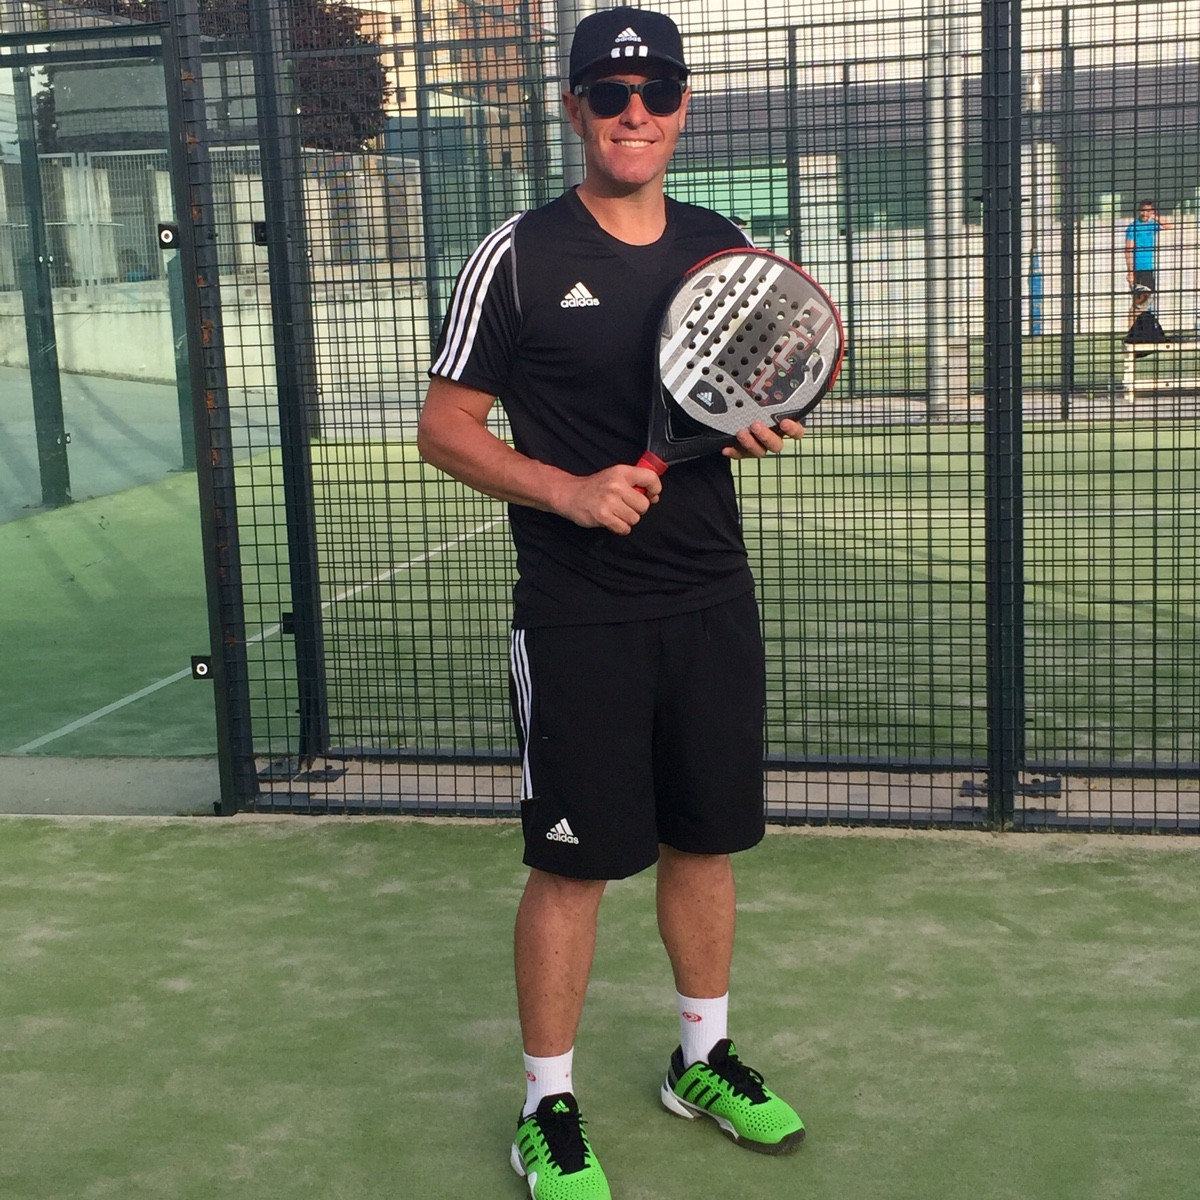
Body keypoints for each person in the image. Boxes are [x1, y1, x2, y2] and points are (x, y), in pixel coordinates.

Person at [417, 8, 806, 1197]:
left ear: (682, 105)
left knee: (706, 842)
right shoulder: (518, 255)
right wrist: (567, 491)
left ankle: (702, 1060)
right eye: (610, 92)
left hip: (709, 597)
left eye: (656, 91)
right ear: (575, 108)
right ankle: (547, 1106)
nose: (635, 113)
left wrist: (750, 426)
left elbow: (736, 390)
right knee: (573, 868)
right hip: (578, 612)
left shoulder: (722, 245)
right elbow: (444, 427)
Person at [1124, 198, 1170, 326]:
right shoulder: (1133, 227)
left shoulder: (1151, 225)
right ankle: (1131, 331)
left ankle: (1145, 330)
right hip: (1139, 269)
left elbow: (1168, 226)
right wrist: (1130, 272)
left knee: (1148, 302)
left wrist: (1154, 217)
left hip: (1149, 268)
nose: (1145, 214)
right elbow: (1128, 250)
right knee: (1139, 303)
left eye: (1148, 211)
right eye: (1143, 211)